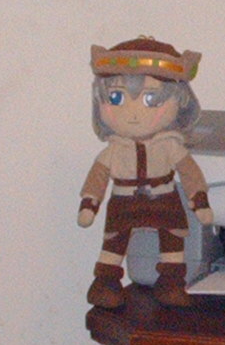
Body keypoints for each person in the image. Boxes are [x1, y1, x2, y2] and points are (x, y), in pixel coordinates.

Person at [78, 38, 214, 307]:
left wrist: (199, 199)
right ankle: (105, 283)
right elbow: (97, 178)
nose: (133, 113)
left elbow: (189, 173)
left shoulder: (170, 146)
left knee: (173, 237)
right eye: (116, 98)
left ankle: (171, 282)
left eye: (151, 99)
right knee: (114, 241)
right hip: (123, 200)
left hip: (164, 198)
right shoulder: (114, 149)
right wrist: (89, 204)